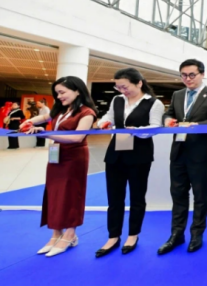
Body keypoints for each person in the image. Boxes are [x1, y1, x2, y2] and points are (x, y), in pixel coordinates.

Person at [21, 76, 98, 256]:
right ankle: (56, 233)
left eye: (62, 92)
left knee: (71, 194)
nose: (59, 96)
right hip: (56, 156)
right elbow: (44, 117)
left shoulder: (87, 112)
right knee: (54, 192)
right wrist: (29, 122)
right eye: (57, 93)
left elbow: (77, 137)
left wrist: (46, 134)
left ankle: (70, 234)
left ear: (77, 90)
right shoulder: (61, 109)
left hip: (74, 157)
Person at [158, 59, 207, 255]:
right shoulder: (178, 95)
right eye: (184, 75)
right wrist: (167, 120)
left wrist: (197, 125)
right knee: (178, 194)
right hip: (178, 151)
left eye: (192, 75)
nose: (187, 79)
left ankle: (197, 234)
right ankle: (176, 234)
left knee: (200, 195)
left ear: (202, 74)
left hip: (201, 153)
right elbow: (169, 114)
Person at [95, 68, 165, 258]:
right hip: (115, 153)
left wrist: (137, 130)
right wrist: (103, 123)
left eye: (125, 87)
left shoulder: (154, 102)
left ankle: (133, 235)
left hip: (140, 154)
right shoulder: (117, 100)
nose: (122, 90)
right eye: (118, 87)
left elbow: (156, 126)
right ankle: (113, 236)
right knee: (114, 198)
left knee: (137, 197)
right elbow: (109, 116)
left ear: (139, 83)